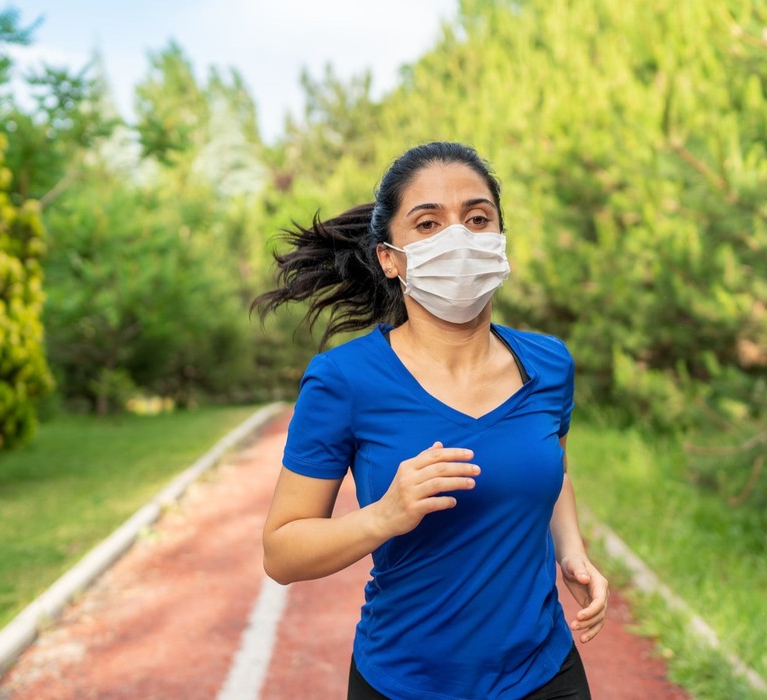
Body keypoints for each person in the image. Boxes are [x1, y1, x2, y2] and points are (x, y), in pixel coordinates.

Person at [253, 141, 608, 700]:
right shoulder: (344, 380)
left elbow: (552, 465)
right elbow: (281, 552)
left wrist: (572, 551)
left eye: (476, 218)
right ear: (389, 258)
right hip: (404, 683)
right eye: (428, 223)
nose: (459, 239)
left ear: (500, 241)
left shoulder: (548, 363)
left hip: (545, 674)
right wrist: (384, 516)